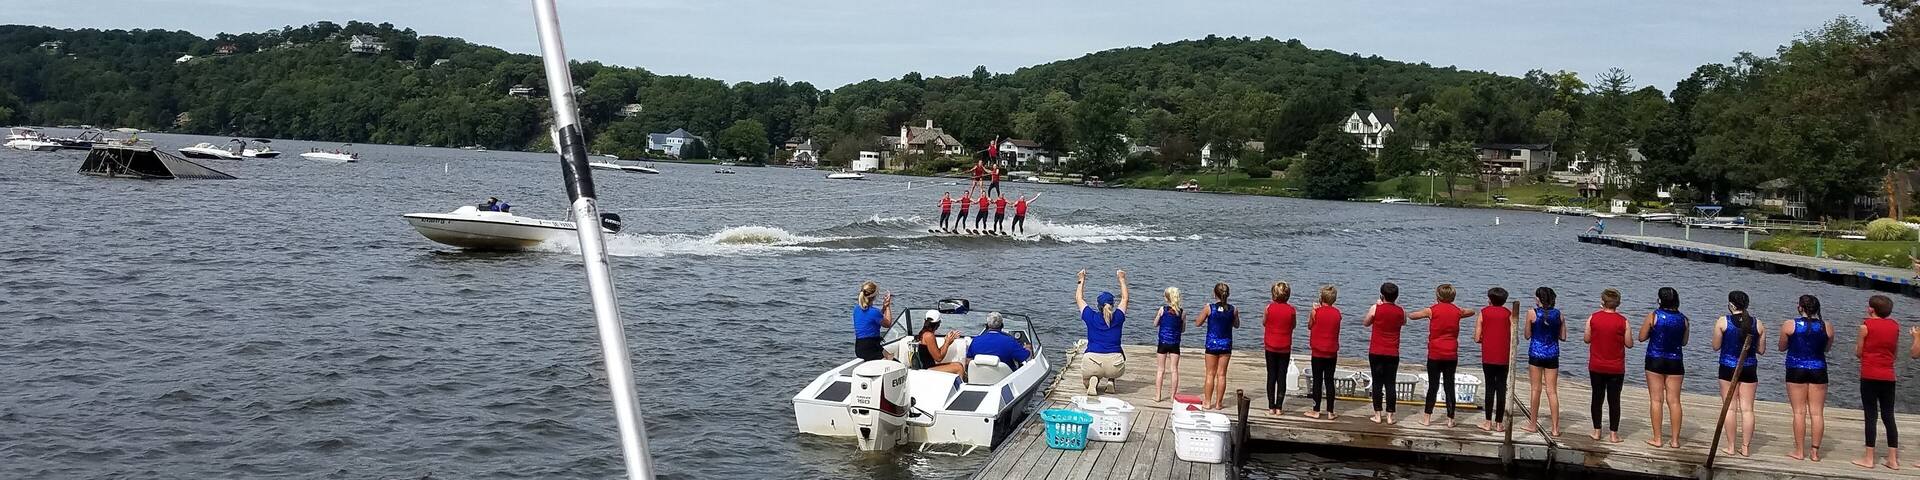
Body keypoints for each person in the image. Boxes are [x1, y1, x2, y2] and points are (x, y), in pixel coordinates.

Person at [1408, 284, 1476, 427]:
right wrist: (1461, 311)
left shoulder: (1431, 310)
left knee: (1433, 386)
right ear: (1453, 297)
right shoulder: (1458, 311)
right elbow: (1472, 312)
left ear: (1437, 296)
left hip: (1435, 353)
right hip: (1451, 354)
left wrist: (1418, 313)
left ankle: (1427, 418)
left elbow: (1413, 316)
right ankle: (1450, 419)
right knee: (1449, 385)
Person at [1713, 290, 1763, 457]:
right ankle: (1746, 447)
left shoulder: (1723, 321)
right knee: (1747, 409)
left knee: (1730, 408)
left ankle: (1731, 446)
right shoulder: (1757, 323)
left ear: (1731, 305)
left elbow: (1715, 346)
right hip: (1749, 367)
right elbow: (1761, 350)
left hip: (1727, 367)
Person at [1781, 295, 1831, 462]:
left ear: (1800, 307)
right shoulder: (1827, 326)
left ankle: (1799, 451)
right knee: (1817, 413)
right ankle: (1815, 452)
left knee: (1799, 412)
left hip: (1796, 368)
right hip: (1818, 368)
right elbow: (1827, 348)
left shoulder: (1790, 324)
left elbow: (1782, 347)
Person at [1639, 287, 1689, 448]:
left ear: (1660, 300)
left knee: (1656, 399)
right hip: (1675, 361)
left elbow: (1641, 337)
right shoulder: (1684, 320)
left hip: (1655, 359)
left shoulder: (1654, 316)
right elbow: (1684, 342)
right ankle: (1675, 441)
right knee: (1674, 401)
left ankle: (1658, 438)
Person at [1855, 295, 1901, 469]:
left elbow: (1859, 352)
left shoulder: (1865, 326)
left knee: (1871, 415)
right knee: (1888, 415)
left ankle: (1869, 458)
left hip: (1869, 374)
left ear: (1871, 309)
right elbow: (1895, 353)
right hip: (1889, 375)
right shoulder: (1895, 326)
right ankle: (1893, 459)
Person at [1584, 288, 1632, 443]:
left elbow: (1586, 338)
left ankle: (1597, 431)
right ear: (1618, 304)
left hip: (1597, 365)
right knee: (1614, 400)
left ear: (1602, 302)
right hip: (1616, 367)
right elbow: (1629, 343)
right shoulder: (1623, 321)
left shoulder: (1593, 318)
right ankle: (1613, 434)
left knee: (1597, 398)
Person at [1076, 269, 1129, 396]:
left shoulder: (1091, 316)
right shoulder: (1118, 317)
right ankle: (1111, 379)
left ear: (1098, 306)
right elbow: (1125, 299)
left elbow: (1079, 298)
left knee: (1086, 381)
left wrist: (1081, 279)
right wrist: (1121, 279)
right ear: (1112, 305)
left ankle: (1093, 380)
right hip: (1115, 363)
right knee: (1112, 366)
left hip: (1092, 360)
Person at [1522, 287, 1565, 437]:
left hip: (1536, 353)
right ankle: (1555, 428)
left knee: (1535, 389)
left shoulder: (1531, 313)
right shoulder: (1559, 314)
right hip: (1552, 354)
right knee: (1552, 391)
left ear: (1539, 299)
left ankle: (1532, 424)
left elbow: (1527, 335)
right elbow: (1563, 336)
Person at [1362, 282, 1406, 424]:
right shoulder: (1401, 311)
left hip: (1376, 351)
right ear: (1396, 297)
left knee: (1377, 383)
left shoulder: (1376, 308)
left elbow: (1366, 322)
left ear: (1382, 295)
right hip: (1392, 352)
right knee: (1390, 384)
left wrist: (1379, 306)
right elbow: (1403, 322)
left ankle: (1377, 414)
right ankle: (1390, 416)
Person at [1473, 287, 1513, 432]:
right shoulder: (1509, 313)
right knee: (1501, 388)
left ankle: (1488, 421)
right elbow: (1514, 337)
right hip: (1504, 356)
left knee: (1490, 387)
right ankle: (1499, 423)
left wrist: (1485, 337)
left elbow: (1477, 337)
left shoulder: (1484, 312)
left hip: (1488, 355)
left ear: (1490, 299)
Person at [1196, 282, 1239, 410]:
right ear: (1228, 295)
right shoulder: (1233, 309)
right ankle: (1219, 403)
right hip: (1226, 344)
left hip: (1212, 343)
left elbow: (1198, 323)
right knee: (1222, 374)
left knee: (1210, 374)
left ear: (1214, 294)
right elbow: (1236, 325)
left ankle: (1208, 402)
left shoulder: (1209, 308)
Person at [1305, 285, 1341, 420]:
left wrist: (1314, 310)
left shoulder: (1316, 312)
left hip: (1318, 352)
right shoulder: (1337, 313)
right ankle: (1331, 411)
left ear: (1321, 298)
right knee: (1329, 380)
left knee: (1318, 380)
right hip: (1331, 351)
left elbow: (1310, 326)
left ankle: (1316, 409)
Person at [1263, 282, 1298, 416]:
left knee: (1271, 375)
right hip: (1285, 347)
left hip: (1270, 346)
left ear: (1273, 295)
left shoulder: (1268, 308)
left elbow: (1264, 322)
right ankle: (1279, 407)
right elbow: (1293, 325)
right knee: (1281, 376)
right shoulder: (1291, 310)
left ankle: (1271, 406)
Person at [1153, 287, 1187, 402]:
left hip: (1162, 342)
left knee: (1160, 369)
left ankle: (1158, 395)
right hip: (1175, 343)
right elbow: (1182, 329)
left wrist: (1160, 319)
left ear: (1167, 298)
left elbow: (1155, 323)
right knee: (1174, 370)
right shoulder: (1182, 312)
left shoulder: (1162, 310)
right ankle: (1172, 396)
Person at [968, 312, 1032, 370]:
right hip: (1005, 378)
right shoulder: (1009, 341)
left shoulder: (976, 340)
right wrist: (1028, 348)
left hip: (979, 376)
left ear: (987, 325)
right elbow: (1024, 357)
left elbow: (969, 359)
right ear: (1002, 325)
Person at [852, 281, 895, 361]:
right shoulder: (874, 312)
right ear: (875, 296)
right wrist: (888, 306)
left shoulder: (856, 309)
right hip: (871, 349)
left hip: (860, 347)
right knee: (896, 365)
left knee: (890, 357)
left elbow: (874, 319)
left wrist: (884, 308)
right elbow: (888, 324)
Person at [915, 311, 966, 375]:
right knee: (959, 368)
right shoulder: (929, 335)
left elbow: (937, 353)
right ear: (938, 324)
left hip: (928, 367)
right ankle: (961, 385)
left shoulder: (924, 333)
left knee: (958, 364)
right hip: (926, 369)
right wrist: (947, 343)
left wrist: (947, 342)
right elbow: (938, 358)